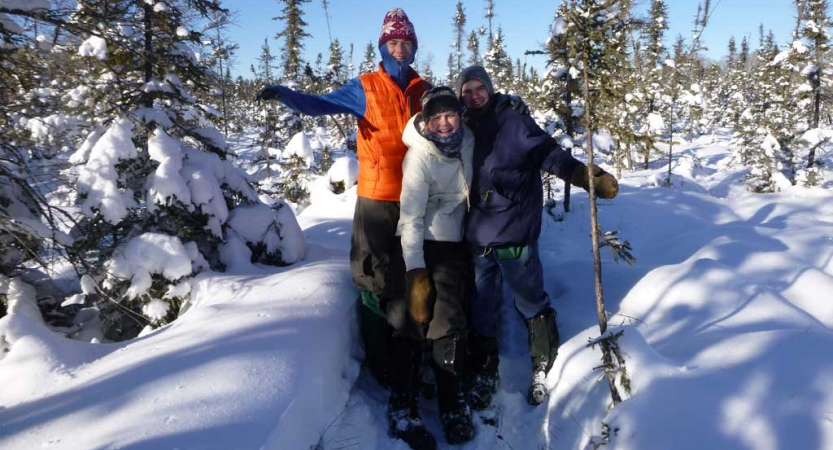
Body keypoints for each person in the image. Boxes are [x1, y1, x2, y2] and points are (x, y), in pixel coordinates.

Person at [256, 8, 430, 390]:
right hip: (375, 201)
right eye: (394, 43)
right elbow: (321, 103)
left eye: (406, 43)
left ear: (414, 47)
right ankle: (379, 362)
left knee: (410, 278)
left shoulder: (423, 89)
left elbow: (453, 118)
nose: (400, 49)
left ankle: (411, 357)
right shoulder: (365, 86)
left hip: (416, 200)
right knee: (371, 279)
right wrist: (287, 96)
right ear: (384, 47)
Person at [454, 65, 619, 407]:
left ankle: (542, 360)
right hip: (479, 237)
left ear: (490, 88)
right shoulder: (462, 126)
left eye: (479, 88)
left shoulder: (514, 123)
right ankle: (485, 365)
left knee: (528, 298)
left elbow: (549, 155)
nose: (474, 95)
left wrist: (586, 176)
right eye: (467, 90)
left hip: (514, 231)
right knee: (482, 303)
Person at [394, 86, 475, 447]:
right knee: (413, 316)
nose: (444, 124)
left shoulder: (467, 139)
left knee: (450, 318)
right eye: (436, 117)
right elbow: (409, 218)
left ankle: (450, 399)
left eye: (450, 115)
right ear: (425, 122)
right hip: (422, 241)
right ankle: (403, 403)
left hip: (456, 241)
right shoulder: (420, 157)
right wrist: (415, 271)